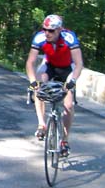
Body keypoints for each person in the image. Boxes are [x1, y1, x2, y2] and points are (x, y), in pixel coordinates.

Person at [25, 14, 84, 157]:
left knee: (68, 106)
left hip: (67, 69)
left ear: (59, 30)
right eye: (44, 29)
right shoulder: (40, 38)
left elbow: (79, 64)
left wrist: (72, 81)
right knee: (38, 88)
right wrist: (33, 82)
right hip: (49, 66)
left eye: (51, 31)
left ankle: (64, 140)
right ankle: (41, 124)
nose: (47, 33)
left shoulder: (69, 37)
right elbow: (30, 62)